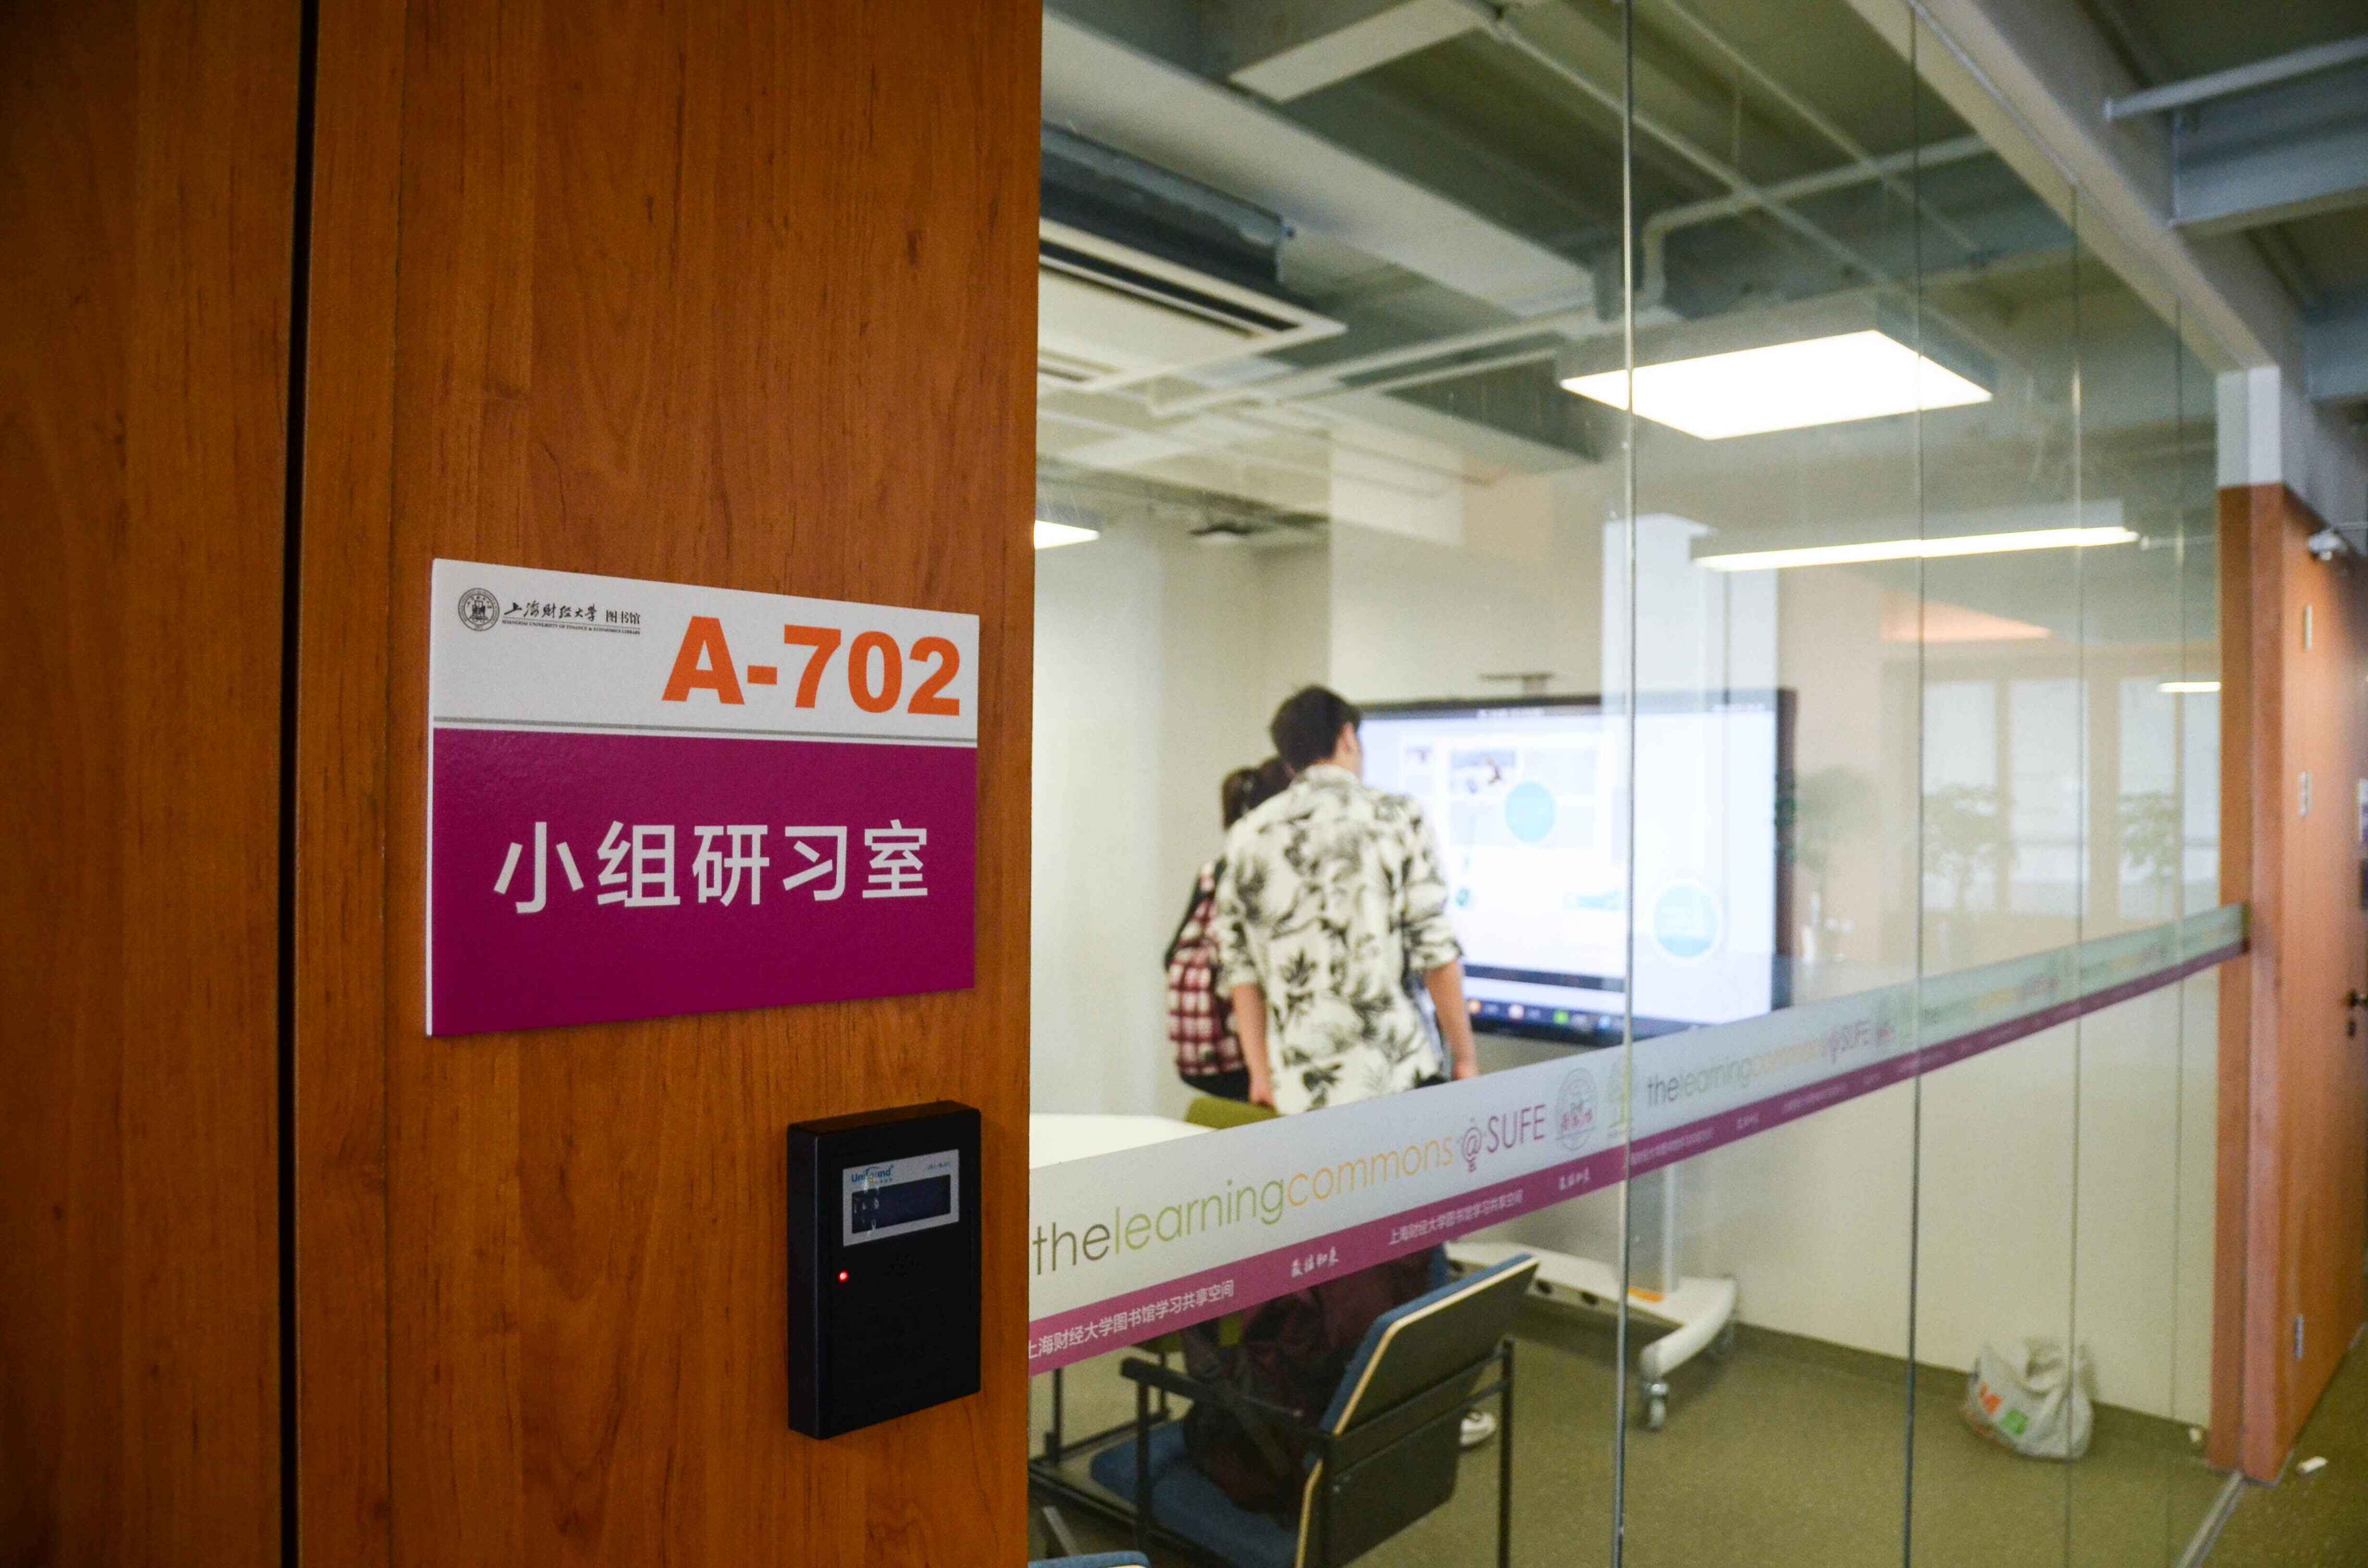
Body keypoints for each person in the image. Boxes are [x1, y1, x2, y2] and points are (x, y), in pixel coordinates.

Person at [1214, 686, 1481, 1113]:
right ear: (1348, 737)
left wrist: (1260, 1073)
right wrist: (1465, 1059)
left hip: (1299, 1088)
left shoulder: (1248, 835)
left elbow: (1240, 970)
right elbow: (1435, 951)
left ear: (1289, 758)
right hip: (1396, 1076)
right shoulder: (1396, 817)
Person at [1164, 757, 1291, 1100]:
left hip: (1202, 1054)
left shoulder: (1213, 871)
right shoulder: (1262, 873)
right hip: (1246, 1053)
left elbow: (1170, 955)